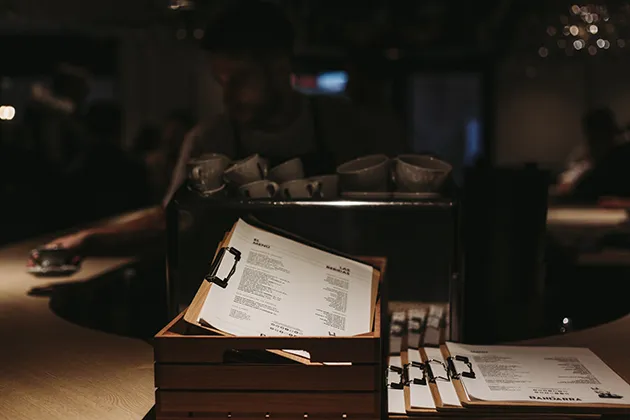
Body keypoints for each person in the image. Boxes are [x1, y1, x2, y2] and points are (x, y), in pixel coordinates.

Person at [47, 0, 408, 253]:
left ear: (280, 67)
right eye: (221, 82)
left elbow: (395, 218)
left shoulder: (347, 126)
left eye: (239, 80)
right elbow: (171, 220)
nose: (228, 96)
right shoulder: (209, 139)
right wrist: (91, 238)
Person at [555, 107, 630, 202]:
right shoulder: (592, 159)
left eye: (593, 138)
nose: (590, 144)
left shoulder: (618, 159)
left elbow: (584, 190)